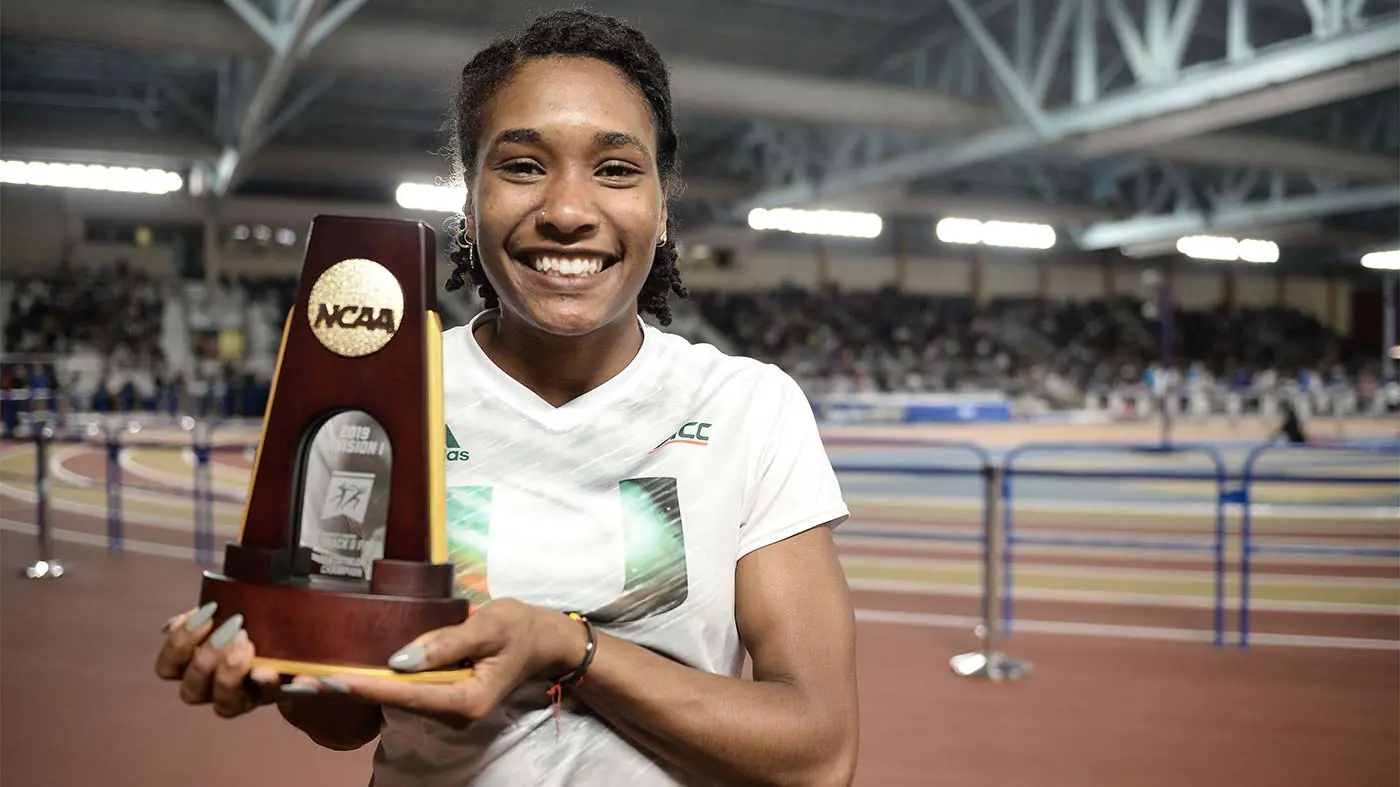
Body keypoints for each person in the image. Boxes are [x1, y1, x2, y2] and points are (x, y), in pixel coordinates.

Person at [153, 9, 860, 786]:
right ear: (469, 207)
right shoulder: (391, 393)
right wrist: (281, 663)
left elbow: (818, 753)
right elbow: (346, 722)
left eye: (616, 169)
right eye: (522, 165)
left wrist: (570, 647)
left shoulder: (747, 406)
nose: (565, 210)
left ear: (662, 211)